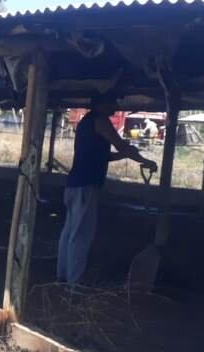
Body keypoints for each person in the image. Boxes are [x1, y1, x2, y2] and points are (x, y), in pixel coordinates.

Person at [57, 93, 158, 285]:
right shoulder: (100, 121)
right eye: (112, 101)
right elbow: (121, 145)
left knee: (70, 231)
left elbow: (99, 154)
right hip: (86, 185)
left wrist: (123, 155)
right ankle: (74, 283)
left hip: (75, 185)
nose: (116, 104)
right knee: (82, 234)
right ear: (101, 104)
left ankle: (62, 276)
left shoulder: (87, 123)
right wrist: (145, 160)